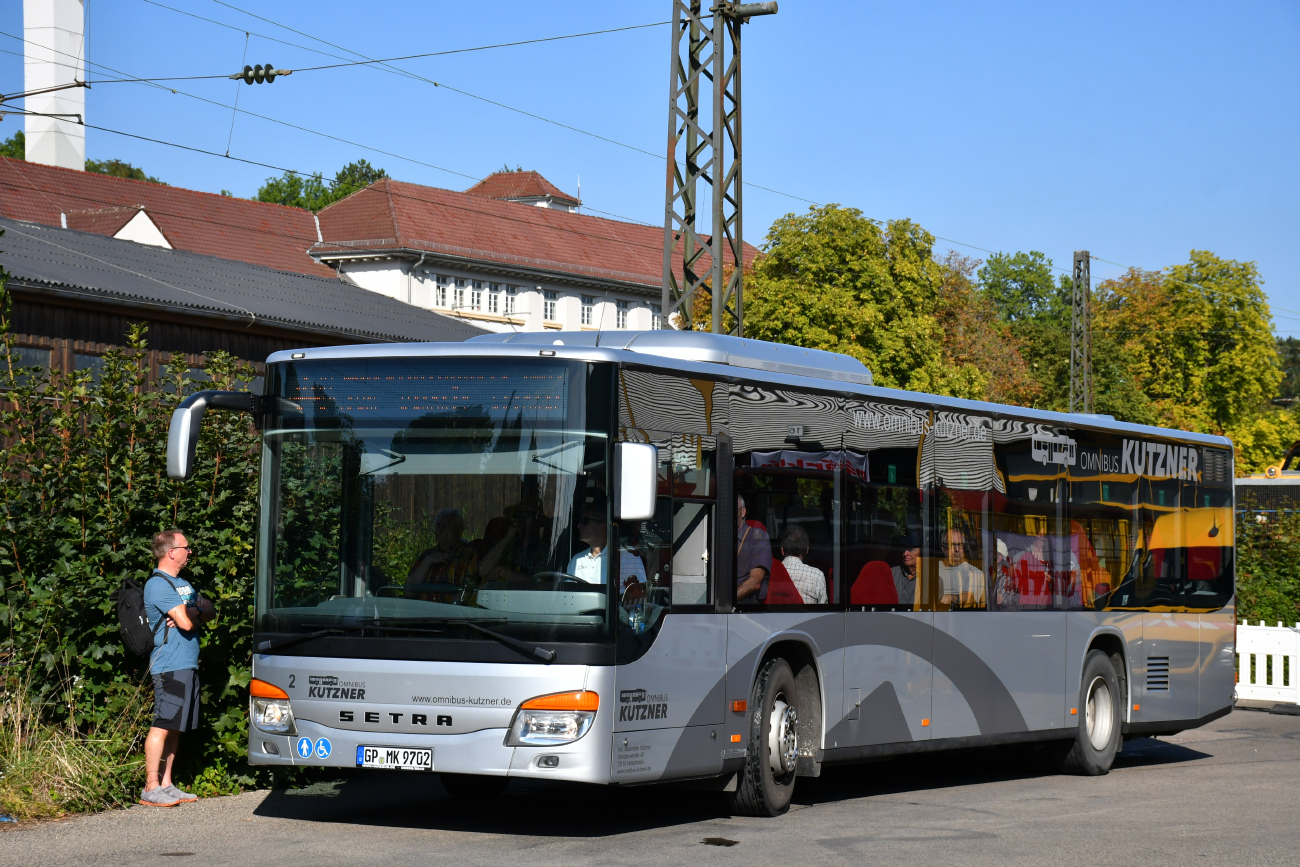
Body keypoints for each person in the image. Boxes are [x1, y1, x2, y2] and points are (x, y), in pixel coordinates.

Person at [140, 528, 215, 808]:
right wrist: (192, 612)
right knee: (162, 724)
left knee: (176, 727)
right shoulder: (158, 584)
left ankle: (167, 784)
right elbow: (187, 621)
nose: (189, 552)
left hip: (187, 663)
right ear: (172, 552)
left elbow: (209, 611)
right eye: (186, 547)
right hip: (169, 666)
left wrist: (191, 611)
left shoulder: (182, 583)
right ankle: (151, 787)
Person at [565, 493, 647, 600]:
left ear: (602, 526)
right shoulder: (576, 560)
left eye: (585, 521)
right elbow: (567, 596)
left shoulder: (626, 557)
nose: (579, 526)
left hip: (613, 616)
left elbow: (638, 594)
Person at [407, 509, 480, 599]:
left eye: (447, 526)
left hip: (452, 610)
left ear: (459, 531)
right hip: (423, 610)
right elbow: (408, 590)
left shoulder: (469, 555)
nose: (442, 529)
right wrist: (428, 561)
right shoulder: (427, 554)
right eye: (439, 525)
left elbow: (470, 589)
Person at [938, 527, 986, 609]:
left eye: (960, 545)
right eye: (952, 545)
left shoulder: (975, 573)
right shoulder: (932, 569)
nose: (957, 549)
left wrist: (952, 598)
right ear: (943, 547)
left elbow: (970, 597)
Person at [736, 495, 772, 603]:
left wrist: (727, 600)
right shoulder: (718, 536)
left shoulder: (758, 537)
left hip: (745, 603)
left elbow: (755, 582)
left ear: (743, 512)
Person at [779, 524, 827, 605]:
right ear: (807, 550)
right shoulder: (817, 576)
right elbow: (823, 611)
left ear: (782, 550)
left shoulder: (770, 573)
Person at [890, 532, 921, 608]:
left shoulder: (930, 580)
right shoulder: (891, 573)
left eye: (911, 549)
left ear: (922, 552)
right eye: (904, 549)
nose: (905, 553)